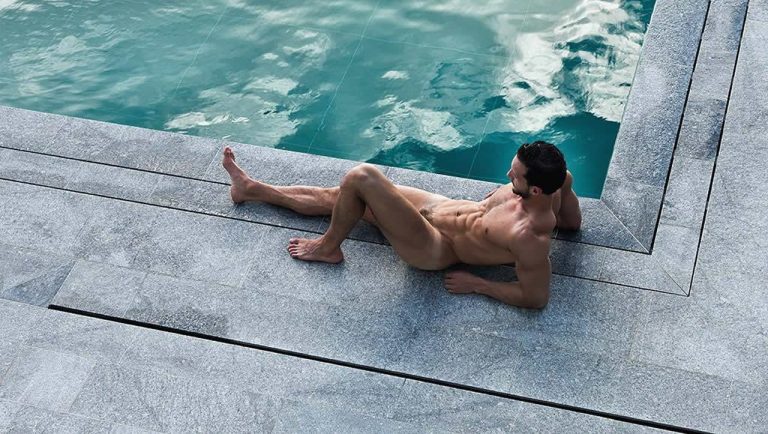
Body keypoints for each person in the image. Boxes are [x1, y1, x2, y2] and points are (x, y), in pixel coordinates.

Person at [222, 141, 581, 309]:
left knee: (361, 178)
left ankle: (328, 248)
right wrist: (568, 223)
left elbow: (535, 297)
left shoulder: (529, 237)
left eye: (514, 175)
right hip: (441, 207)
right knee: (344, 195)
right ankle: (251, 189)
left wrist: (479, 285)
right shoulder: (558, 179)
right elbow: (572, 222)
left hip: (437, 245)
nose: (507, 175)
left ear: (535, 189)